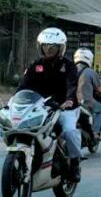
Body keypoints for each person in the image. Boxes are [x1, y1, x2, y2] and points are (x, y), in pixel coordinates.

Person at [17, 27, 81, 182]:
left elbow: (72, 85)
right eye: (45, 45)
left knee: (70, 131)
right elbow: (23, 86)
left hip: (65, 107)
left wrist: (69, 100)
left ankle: (74, 162)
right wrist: (13, 101)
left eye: (53, 46)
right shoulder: (35, 65)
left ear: (61, 48)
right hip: (40, 107)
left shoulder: (69, 66)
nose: (48, 49)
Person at [74, 48, 101, 141]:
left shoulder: (70, 69)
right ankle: (95, 133)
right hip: (85, 102)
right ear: (89, 59)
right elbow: (99, 89)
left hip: (71, 102)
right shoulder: (90, 72)